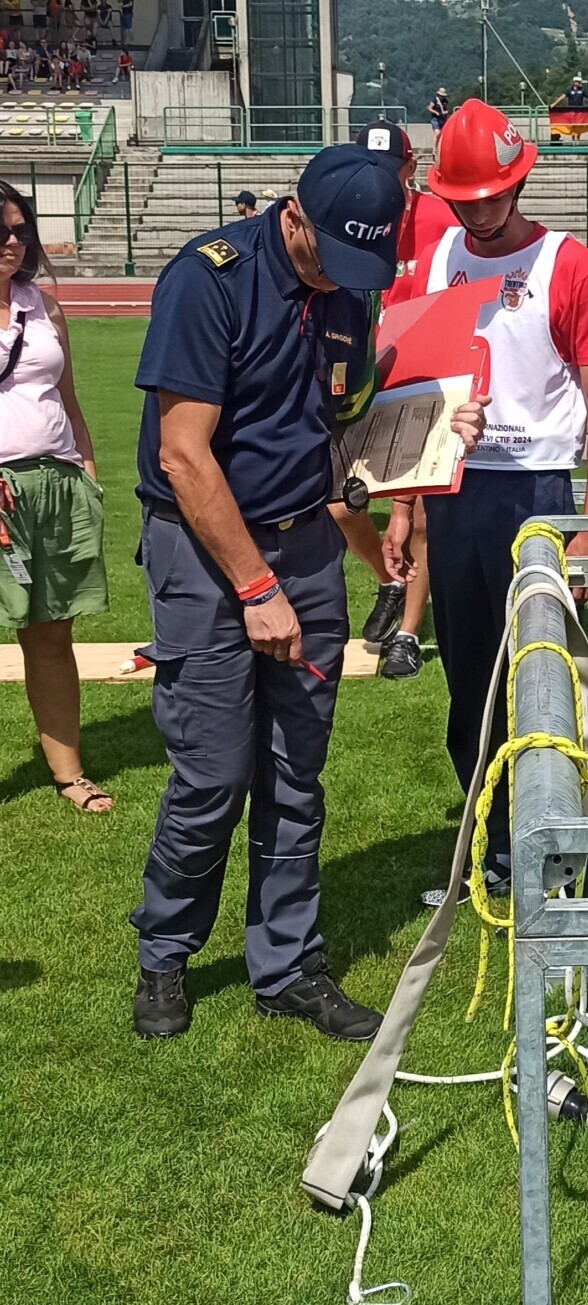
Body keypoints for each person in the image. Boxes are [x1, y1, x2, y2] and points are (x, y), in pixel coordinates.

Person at [129, 144, 486, 1041]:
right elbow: (182, 456)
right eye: (332, 259)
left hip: (307, 547)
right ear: (293, 216)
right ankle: (164, 953)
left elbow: (344, 422)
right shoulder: (208, 280)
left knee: (296, 775)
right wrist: (256, 587)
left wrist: (439, 428)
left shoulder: (348, 288)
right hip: (205, 555)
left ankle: (288, 966)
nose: (343, 283)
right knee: (213, 775)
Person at [396, 99, 588, 899]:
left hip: (538, 493)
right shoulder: (437, 261)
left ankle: (554, 848)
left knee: (542, 678)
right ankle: (490, 847)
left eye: (494, 196)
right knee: (469, 681)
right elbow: (415, 390)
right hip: (457, 490)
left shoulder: (569, 264)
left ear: (519, 182)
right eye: (467, 199)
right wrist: (405, 507)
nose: (482, 211)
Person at [0, 181, 112, 814]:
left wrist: (87, 473)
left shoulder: (42, 306)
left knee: (51, 635)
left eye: (21, 231)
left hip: (55, 484)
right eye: (1, 232)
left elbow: (67, 401)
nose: (13, 242)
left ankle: (69, 774)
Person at [348, 118, 457, 680]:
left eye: (389, 169)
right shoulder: (352, 217)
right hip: (366, 377)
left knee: (417, 516)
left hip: (427, 378)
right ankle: (390, 578)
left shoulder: (440, 220)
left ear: (410, 168)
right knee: (340, 505)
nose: (380, 180)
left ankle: (409, 633)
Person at [427, 86, 449, 154]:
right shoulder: (435, 101)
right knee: (437, 133)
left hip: (442, 119)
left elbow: (445, 109)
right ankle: (434, 149)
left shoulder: (445, 101)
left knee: (442, 134)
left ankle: (439, 148)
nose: (442, 97)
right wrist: (436, 112)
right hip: (435, 119)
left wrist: (446, 114)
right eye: (441, 96)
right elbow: (429, 108)